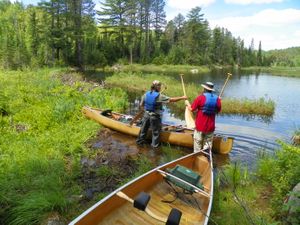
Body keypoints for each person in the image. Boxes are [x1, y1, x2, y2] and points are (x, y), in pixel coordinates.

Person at [136, 80, 187, 149]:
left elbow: (141, 105)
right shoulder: (159, 96)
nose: (160, 87)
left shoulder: (146, 94)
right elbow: (171, 100)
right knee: (156, 133)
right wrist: (182, 98)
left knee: (143, 131)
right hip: (155, 117)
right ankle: (154, 149)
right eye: (159, 86)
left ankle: (139, 145)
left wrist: (146, 111)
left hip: (146, 115)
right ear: (157, 87)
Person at [186, 82, 221, 152]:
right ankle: (206, 157)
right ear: (211, 90)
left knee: (197, 143)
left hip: (200, 126)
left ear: (204, 89)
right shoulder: (217, 99)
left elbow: (192, 109)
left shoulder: (200, 97)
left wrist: (187, 104)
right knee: (208, 145)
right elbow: (218, 111)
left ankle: (197, 156)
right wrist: (219, 100)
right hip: (210, 126)